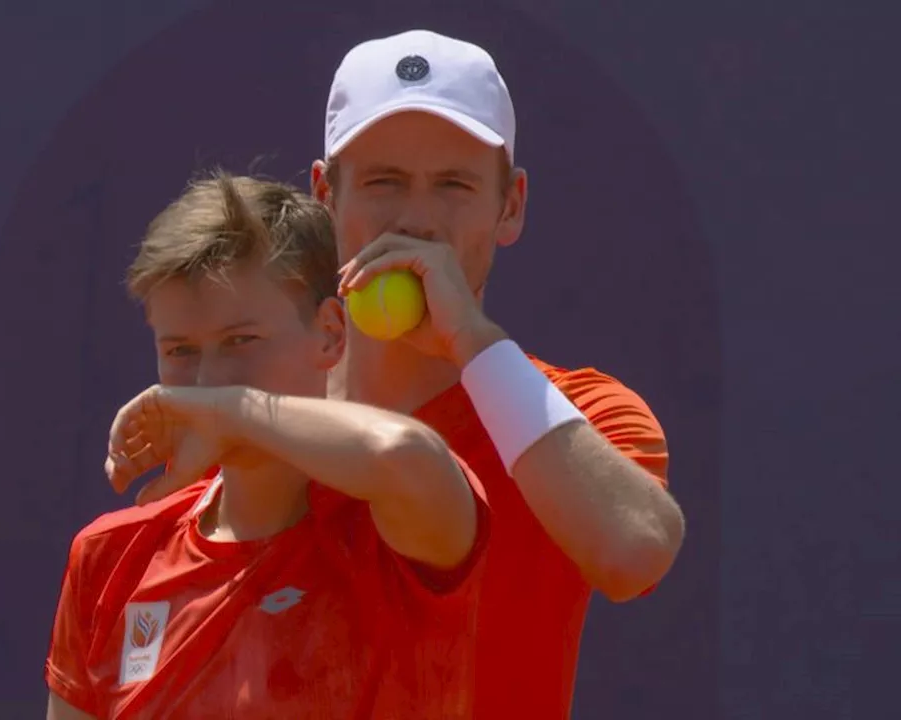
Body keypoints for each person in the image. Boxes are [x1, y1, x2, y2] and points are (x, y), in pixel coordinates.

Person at [310, 30, 687, 719]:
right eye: (383, 181)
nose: (417, 218)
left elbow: (633, 552)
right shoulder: (264, 418)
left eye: (453, 185)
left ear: (510, 205)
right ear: (324, 196)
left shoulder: (582, 412)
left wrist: (472, 343)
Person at [44, 173, 491, 719]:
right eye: (181, 351)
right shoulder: (109, 557)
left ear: (330, 333)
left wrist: (233, 411)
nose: (209, 381)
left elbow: (404, 455)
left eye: (241, 341)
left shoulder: (395, 532)